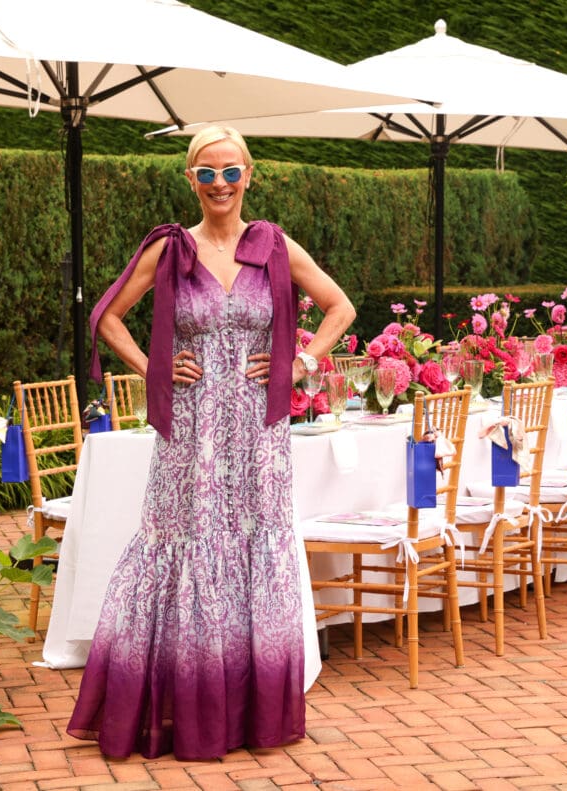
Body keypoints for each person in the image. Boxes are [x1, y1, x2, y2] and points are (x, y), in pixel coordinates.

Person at [67, 125, 355, 760]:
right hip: (191, 428)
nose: (219, 184)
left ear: (249, 175)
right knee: (185, 543)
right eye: (207, 173)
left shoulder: (275, 246)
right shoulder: (172, 250)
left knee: (255, 544)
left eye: (230, 172)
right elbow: (106, 316)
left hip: (259, 428)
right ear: (190, 180)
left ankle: (252, 713)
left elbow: (340, 307)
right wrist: (150, 366)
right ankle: (186, 710)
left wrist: (300, 362)